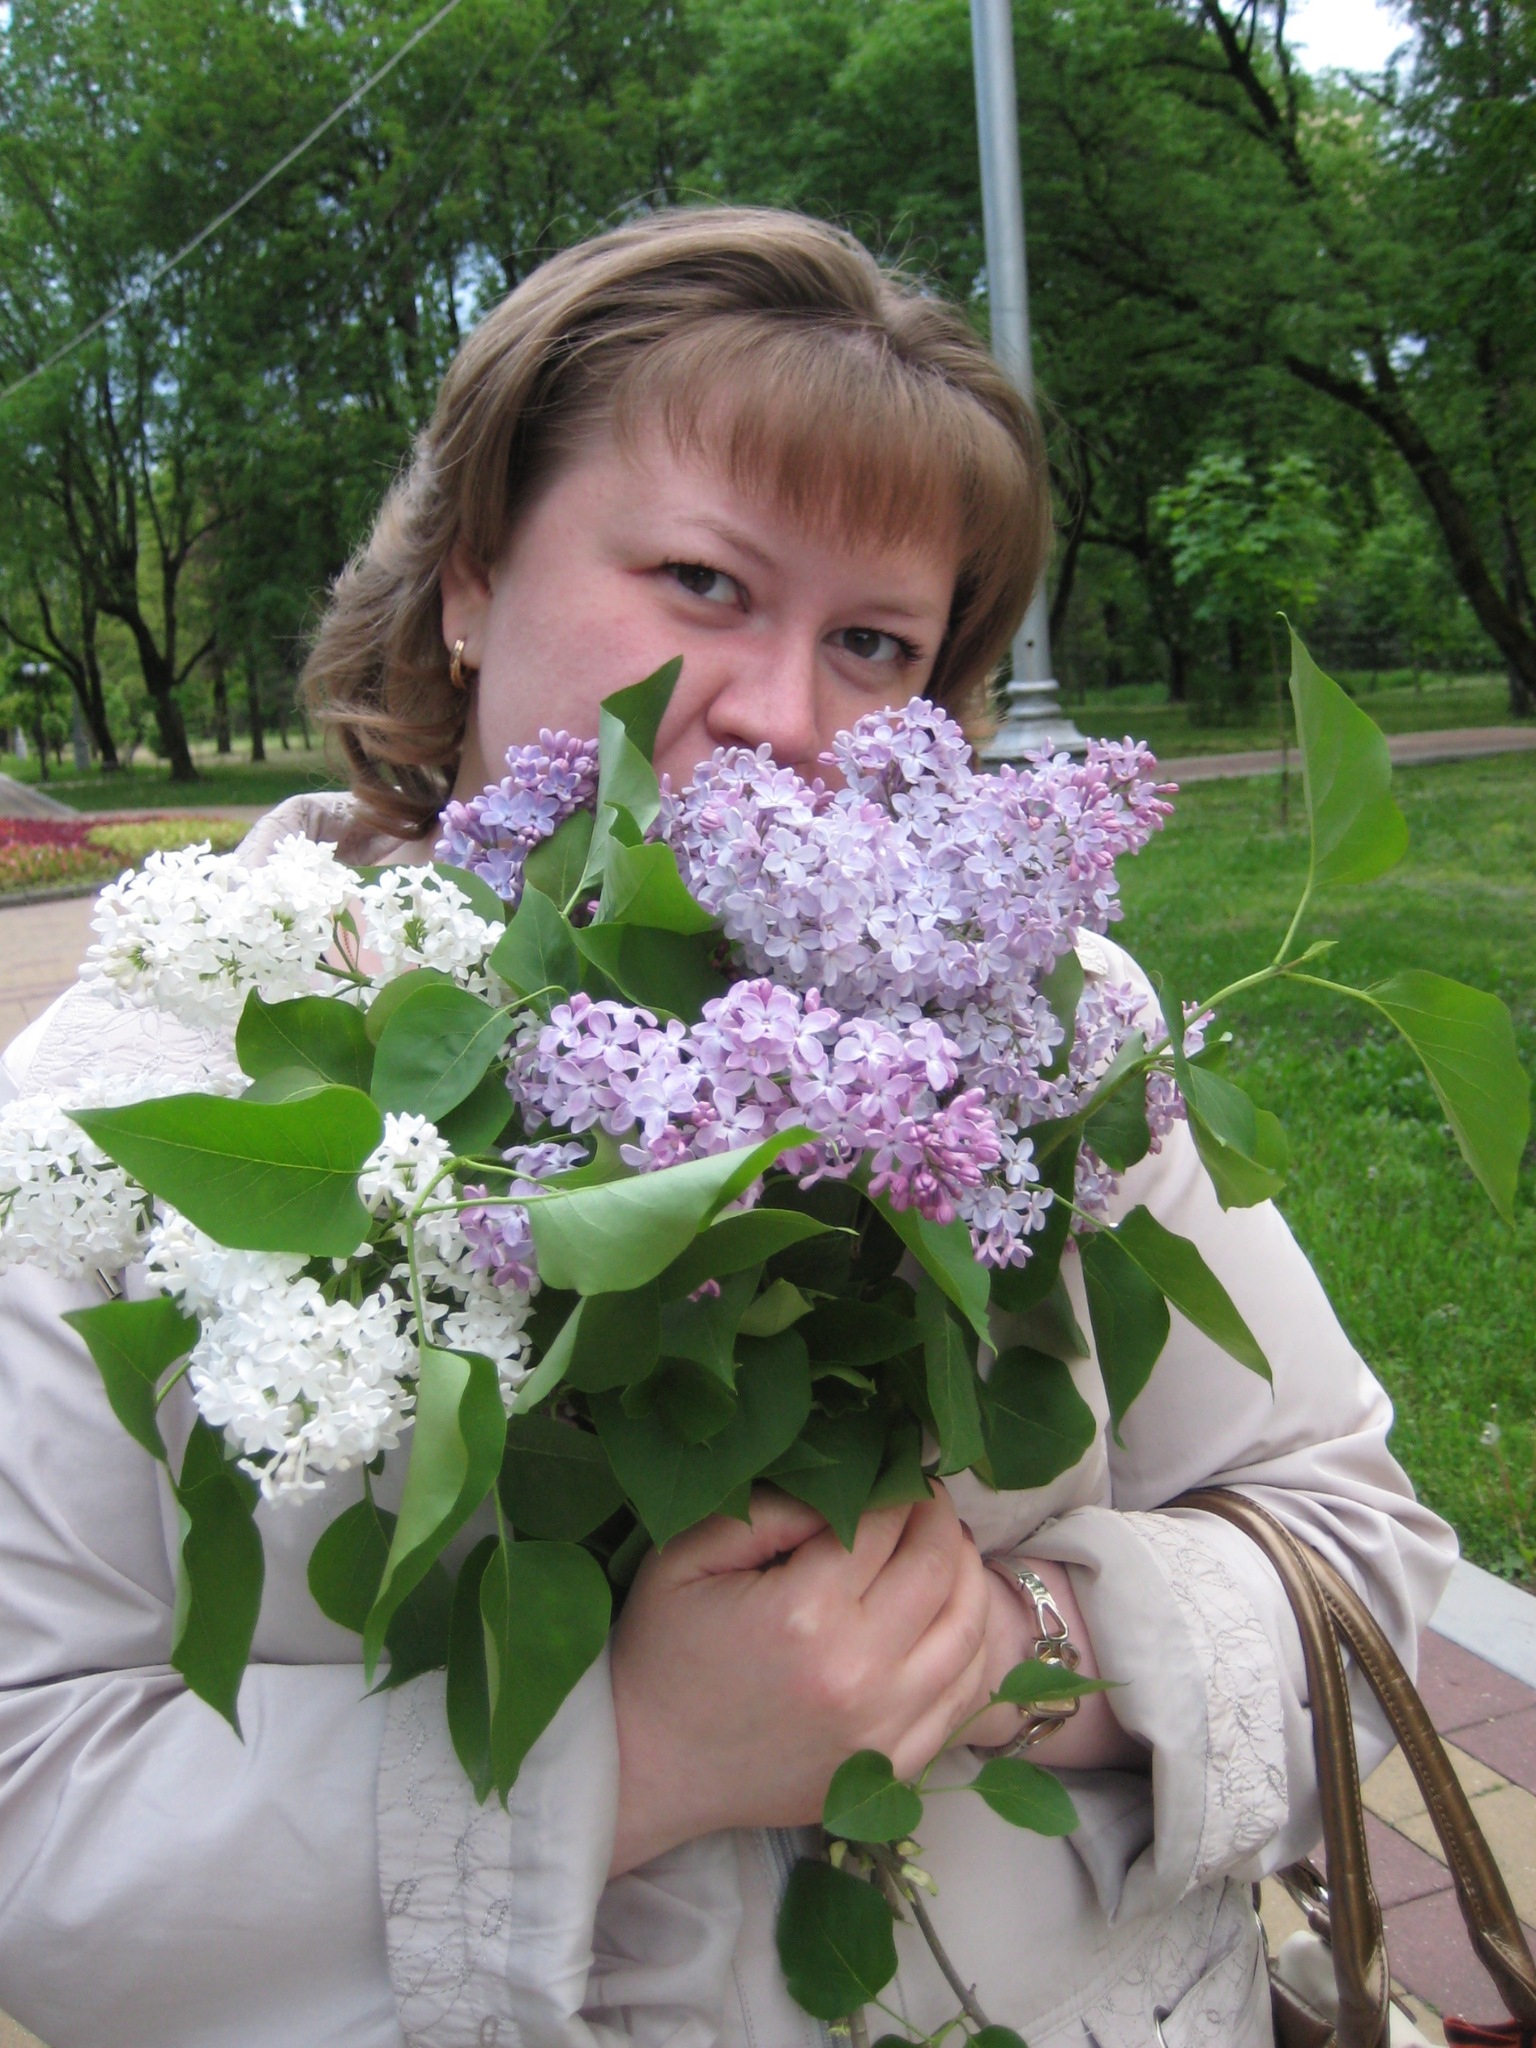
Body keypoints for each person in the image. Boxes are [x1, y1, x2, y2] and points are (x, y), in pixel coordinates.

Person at [0, 208, 1454, 2048]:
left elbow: (1354, 1558)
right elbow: (33, 1820)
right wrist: (629, 1754)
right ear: (468, 578)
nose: (781, 714)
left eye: (874, 639)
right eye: (702, 582)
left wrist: (1003, 1652)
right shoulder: (124, 1113)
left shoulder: (1052, 1037)